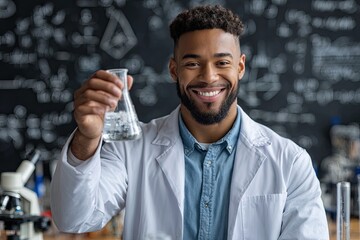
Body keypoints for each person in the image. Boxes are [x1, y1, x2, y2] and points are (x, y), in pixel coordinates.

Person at [50, 5, 329, 240]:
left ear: (240, 67)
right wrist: (87, 137)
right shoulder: (132, 150)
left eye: (222, 63)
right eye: (193, 63)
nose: (208, 77)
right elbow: (75, 219)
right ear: (175, 69)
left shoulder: (290, 162)